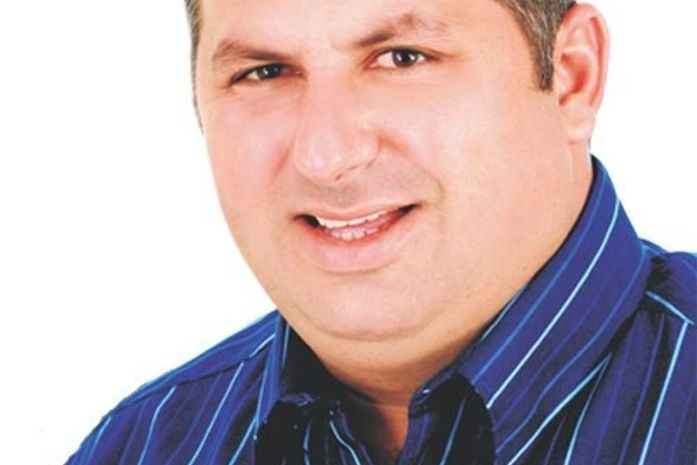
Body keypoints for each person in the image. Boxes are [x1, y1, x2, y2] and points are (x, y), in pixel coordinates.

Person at [65, 0, 695, 464]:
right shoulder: (140, 447)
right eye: (265, 71)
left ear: (572, 76)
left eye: (402, 58)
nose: (326, 155)